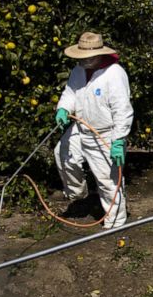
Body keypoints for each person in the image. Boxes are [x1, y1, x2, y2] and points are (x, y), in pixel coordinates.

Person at [54, 31, 133, 229]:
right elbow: (70, 93)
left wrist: (119, 140)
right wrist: (63, 109)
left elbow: (122, 109)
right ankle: (78, 194)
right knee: (63, 154)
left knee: (109, 181)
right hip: (80, 127)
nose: (85, 61)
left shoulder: (114, 73)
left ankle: (115, 221)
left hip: (107, 133)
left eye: (88, 57)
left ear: (99, 54)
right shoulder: (78, 71)